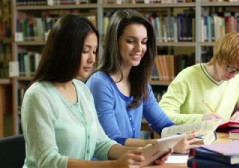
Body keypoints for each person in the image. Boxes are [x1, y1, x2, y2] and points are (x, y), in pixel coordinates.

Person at [21, 14, 170, 168]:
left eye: (94, 51)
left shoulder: (82, 89)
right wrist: (114, 165)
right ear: (65, 51)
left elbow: (101, 143)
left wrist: (143, 155)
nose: (92, 59)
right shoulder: (38, 96)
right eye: (86, 51)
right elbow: (47, 161)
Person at [86, 9, 200, 154]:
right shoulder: (100, 83)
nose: (139, 48)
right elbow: (113, 140)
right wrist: (164, 145)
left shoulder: (141, 84)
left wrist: (193, 136)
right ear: (115, 42)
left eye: (144, 42)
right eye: (131, 41)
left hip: (133, 161)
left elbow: (164, 125)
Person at [159, 32, 239, 125]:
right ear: (218, 57)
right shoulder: (187, 77)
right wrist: (200, 119)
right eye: (231, 68)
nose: (234, 75)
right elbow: (162, 114)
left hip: (221, 141)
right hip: (189, 141)